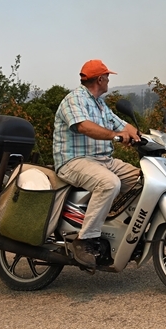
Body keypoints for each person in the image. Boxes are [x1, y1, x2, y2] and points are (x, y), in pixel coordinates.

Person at [53, 59, 141, 269]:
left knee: (142, 180)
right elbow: (84, 127)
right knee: (109, 184)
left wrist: (142, 136)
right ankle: (85, 240)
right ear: (100, 79)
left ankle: (125, 231)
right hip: (73, 161)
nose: (109, 80)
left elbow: (122, 125)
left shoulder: (100, 104)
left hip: (102, 161)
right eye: (108, 76)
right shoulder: (74, 100)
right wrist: (115, 136)